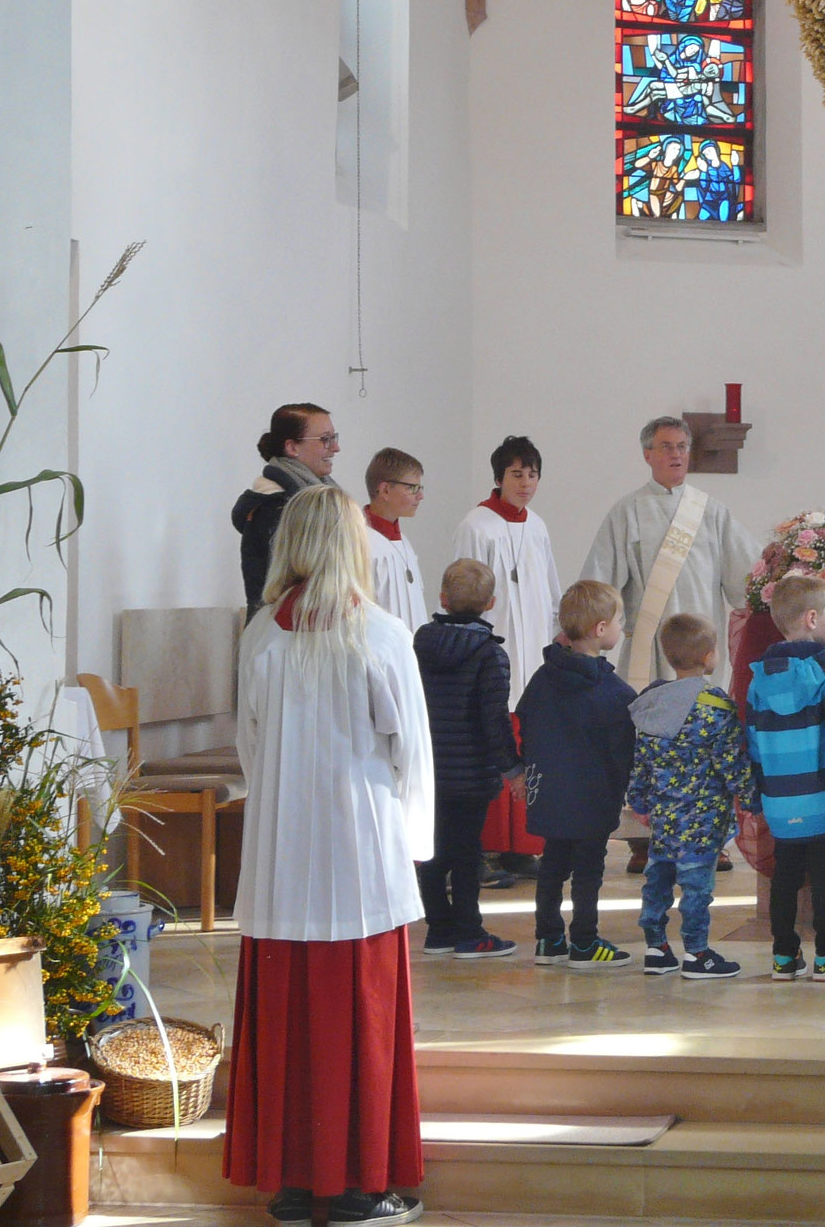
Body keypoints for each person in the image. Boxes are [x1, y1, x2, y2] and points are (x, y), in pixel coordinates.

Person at [224, 486, 430, 1227]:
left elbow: (250, 747)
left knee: (286, 1020)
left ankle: (290, 1183)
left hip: (282, 847)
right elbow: (409, 751)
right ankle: (356, 1186)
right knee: (360, 1017)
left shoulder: (261, 635)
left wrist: (282, 805)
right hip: (359, 849)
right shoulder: (379, 632)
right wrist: (413, 844)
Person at [451, 437, 561, 878]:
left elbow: (551, 591)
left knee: (528, 746)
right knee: (492, 743)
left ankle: (522, 847)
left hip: (531, 656)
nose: (526, 483)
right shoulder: (476, 526)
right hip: (490, 655)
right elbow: (464, 593)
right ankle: (488, 844)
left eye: (533, 474)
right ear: (499, 478)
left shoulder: (538, 525)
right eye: (517, 474)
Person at [583, 417, 759, 688]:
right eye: (666, 447)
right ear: (647, 455)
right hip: (650, 645)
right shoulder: (627, 511)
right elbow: (600, 580)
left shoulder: (711, 511)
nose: (676, 454)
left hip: (701, 640)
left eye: (682, 446)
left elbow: (748, 573)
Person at [746, 575, 825, 983]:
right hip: (823, 793)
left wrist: (759, 793)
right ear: (812, 619)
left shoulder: (760, 678)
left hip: (779, 798)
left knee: (785, 876)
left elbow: (753, 740)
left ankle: (783, 957)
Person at [518, 580, 635, 970]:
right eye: (619, 621)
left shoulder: (543, 676)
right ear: (601, 629)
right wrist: (629, 787)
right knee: (588, 869)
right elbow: (624, 749)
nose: (622, 628)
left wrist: (523, 768)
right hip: (593, 796)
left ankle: (549, 940)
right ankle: (584, 942)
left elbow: (524, 721)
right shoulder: (613, 691)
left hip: (550, 790)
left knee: (553, 864)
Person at [626, 613, 750, 980]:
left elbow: (641, 761)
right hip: (703, 820)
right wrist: (751, 797)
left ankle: (656, 948)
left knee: (657, 881)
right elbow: (730, 761)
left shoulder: (654, 703)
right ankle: (697, 953)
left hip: (664, 820)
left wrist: (639, 801)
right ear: (709, 657)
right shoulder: (716, 707)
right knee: (697, 888)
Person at [411, 559, 518, 960]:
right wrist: (512, 767)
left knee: (433, 851)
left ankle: (438, 930)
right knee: (467, 852)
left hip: (427, 769)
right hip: (472, 773)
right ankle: (471, 933)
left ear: (442, 599)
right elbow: (495, 719)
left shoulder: (419, 644)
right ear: (491, 603)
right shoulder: (490, 654)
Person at [231, 403, 338, 612]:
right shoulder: (275, 507)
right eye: (325, 439)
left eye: (334, 438)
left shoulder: (316, 499)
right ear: (292, 447)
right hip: (286, 625)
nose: (335, 447)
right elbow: (286, 588)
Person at [364, 448, 428, 633]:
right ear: (385, 490)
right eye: (412, 488)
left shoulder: (404, 543)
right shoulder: (361, 543)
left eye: (420, 488)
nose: (420, 496)